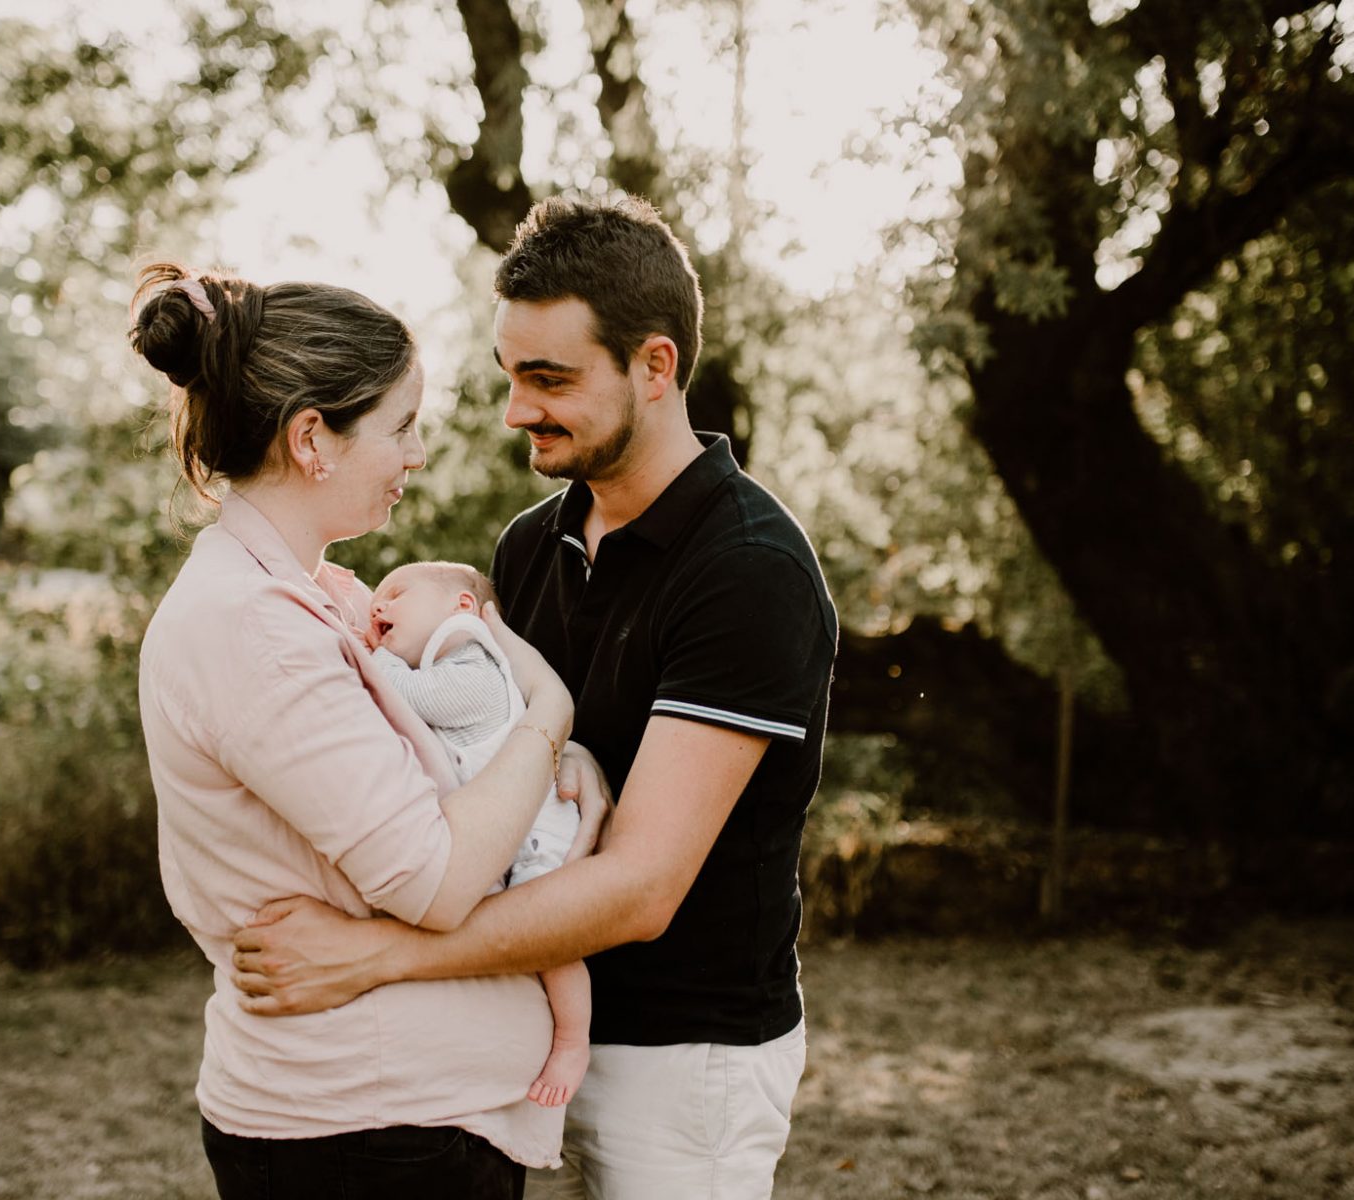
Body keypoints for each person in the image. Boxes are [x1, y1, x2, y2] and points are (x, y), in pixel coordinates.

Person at [231, 196, 840, 1200]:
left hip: (679, 1060)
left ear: (654, 367)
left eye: (549, 380)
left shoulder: (748, 571)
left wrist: (373, 958)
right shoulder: (527, 544)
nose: (516, 410)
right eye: (511, 376)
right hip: (512, 1025)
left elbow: (642, 889)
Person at [128, 261, 608, 1199]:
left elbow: (439, 779)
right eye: (401, 427)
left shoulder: (304, 601)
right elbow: (434, 877)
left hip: (395, 1124)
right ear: (313, 438)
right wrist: (550, 717)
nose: (417, 455)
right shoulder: (252, 627)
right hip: (365, 1134)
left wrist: (550, 758)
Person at [365, 560, 592, 1107]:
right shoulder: (445, 663)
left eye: (396, 594)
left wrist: (367, 654)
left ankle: (571, 1040)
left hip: (541, 838)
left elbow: (413, 698)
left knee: (554, 945)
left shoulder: (476, 667)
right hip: (505, 843)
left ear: (462, 609)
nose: (378, 608)